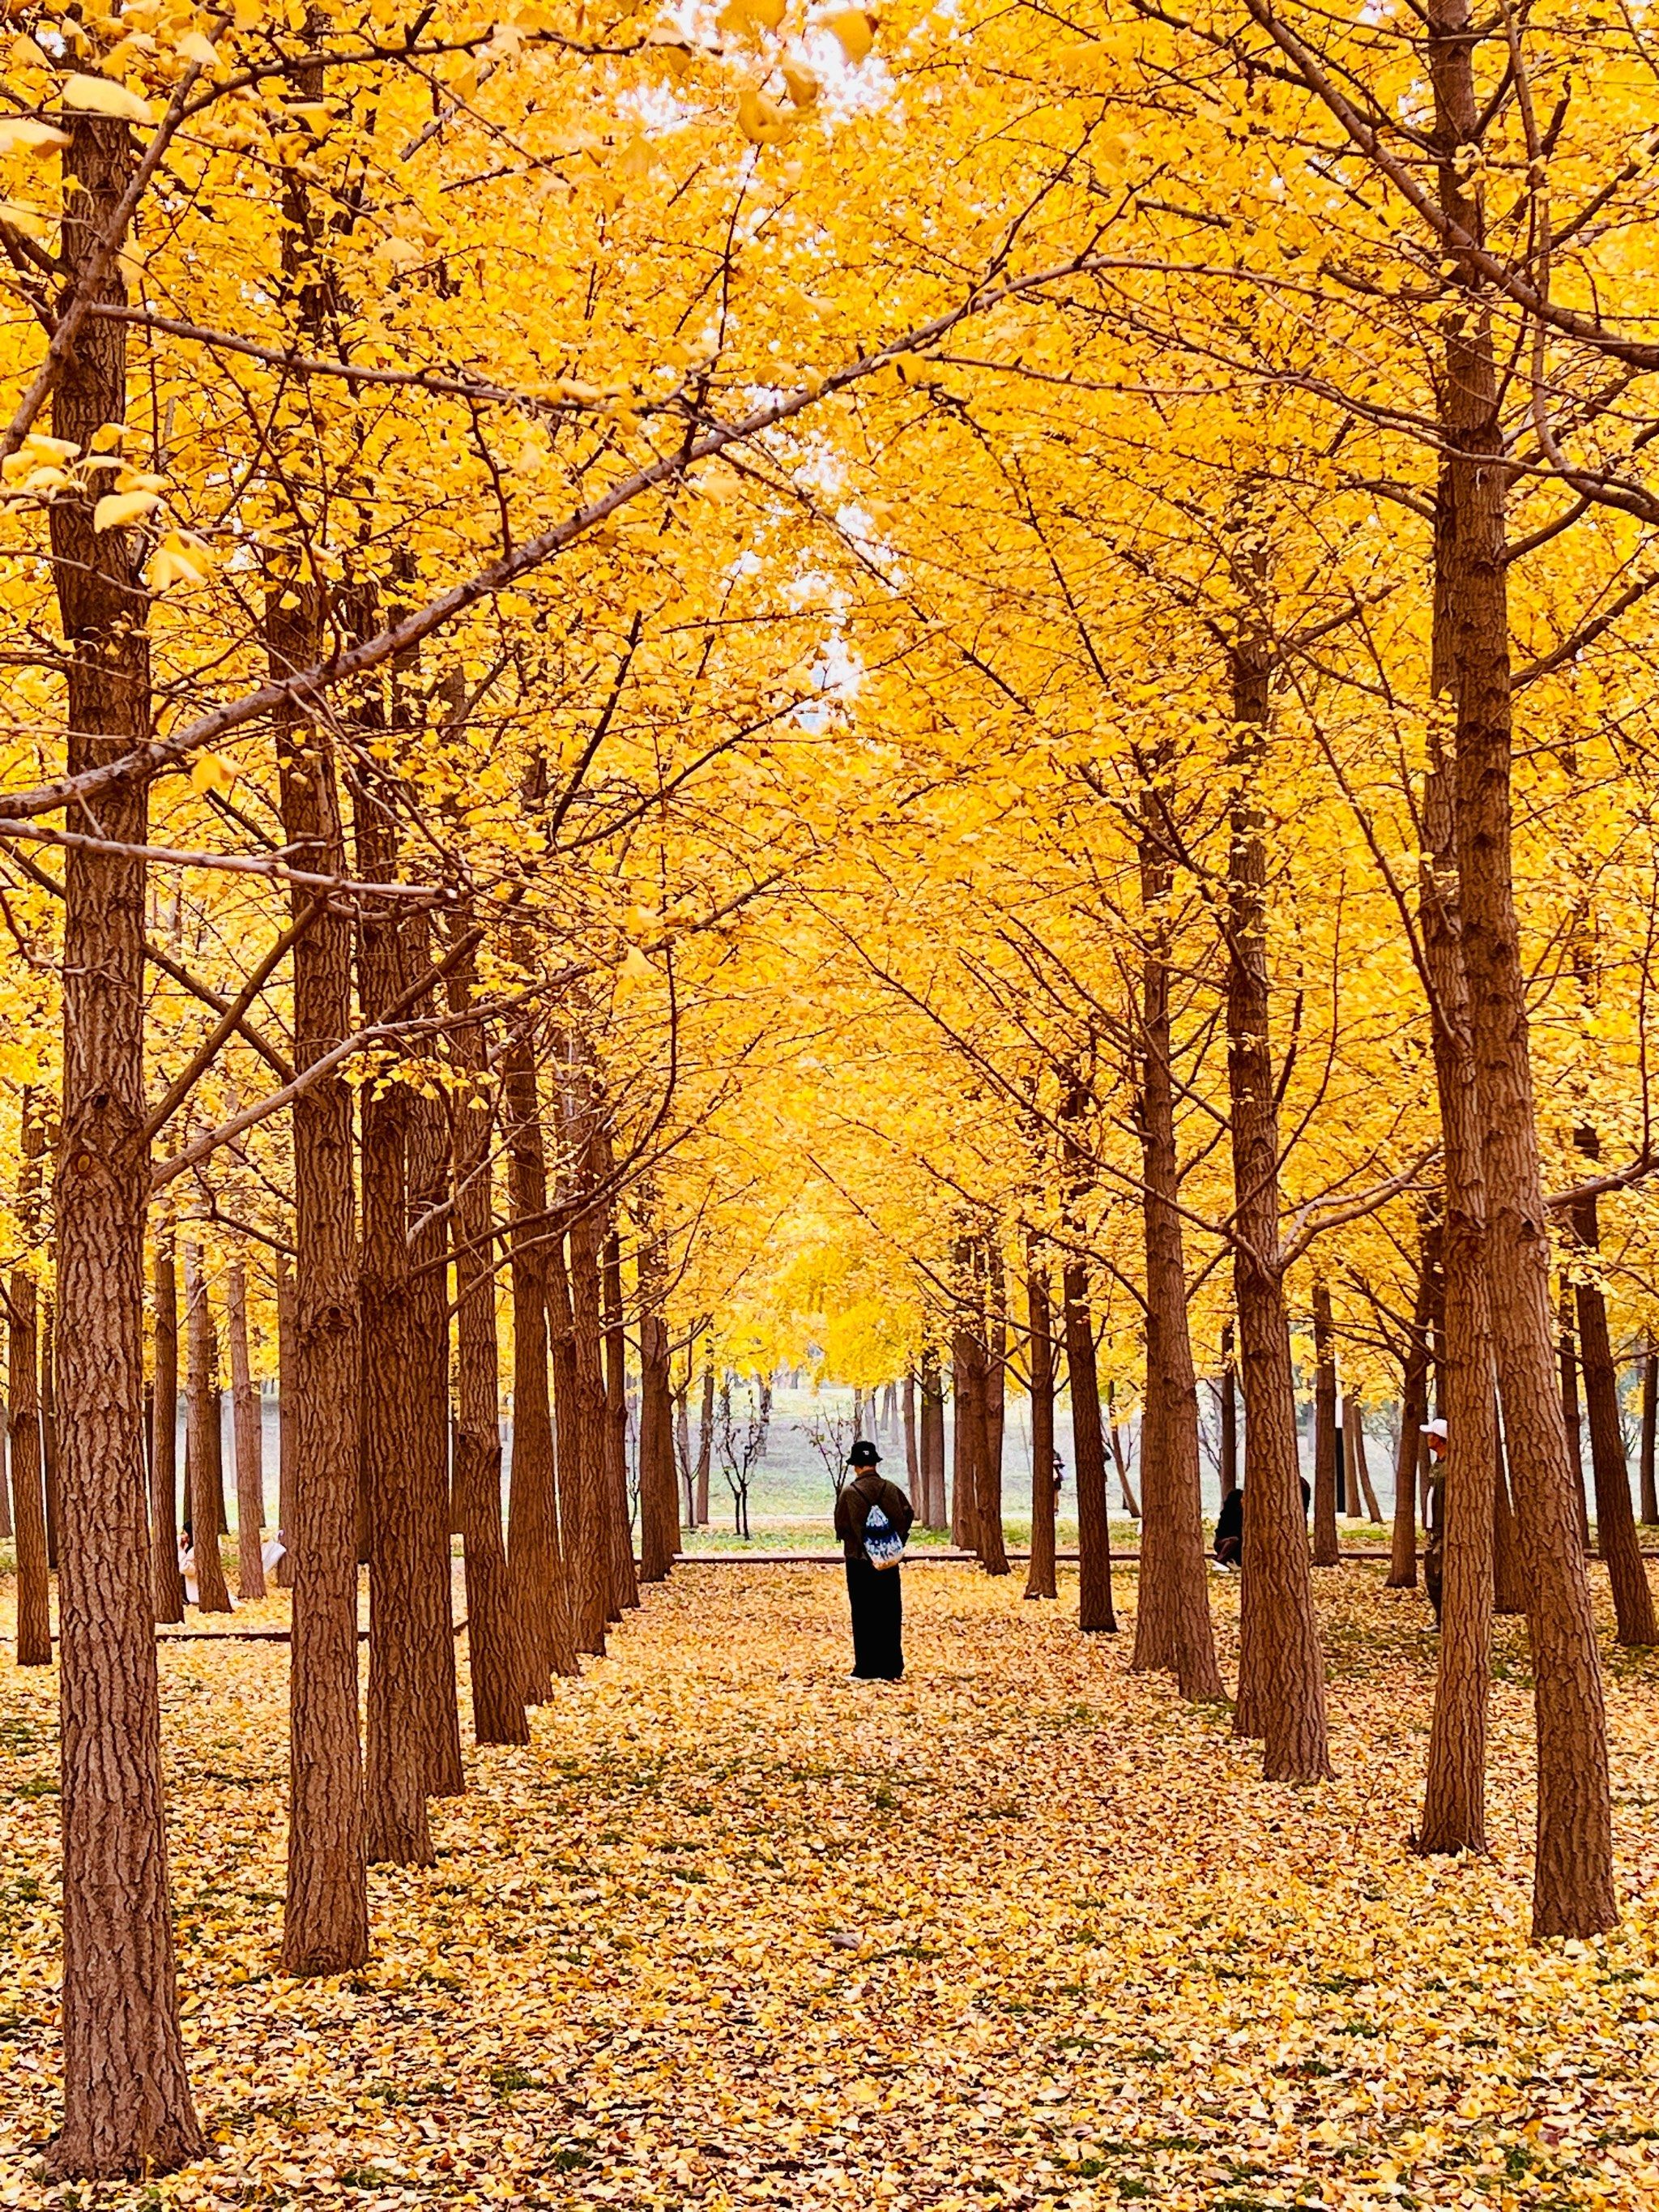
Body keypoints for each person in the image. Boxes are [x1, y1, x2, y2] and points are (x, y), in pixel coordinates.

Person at [833, 1439, 915, 1681]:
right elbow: (908, 1514)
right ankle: (891, 1666)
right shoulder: (890, 1489)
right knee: (890, 1612)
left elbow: (841, 1526)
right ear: (874, 1464)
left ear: (856, 1466)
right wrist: (895, 1539)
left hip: (859, 1562)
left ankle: (866, 1668)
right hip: (888, 1562)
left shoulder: (849, 1493)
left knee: (863, 1612)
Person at [1210, 1475, 1312, 1569]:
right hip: (1231, 1541)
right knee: (1235, 1541)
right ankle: (1221, 1561)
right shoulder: (1235, 1506)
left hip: (1239, 1544)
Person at [1421, 1417, 1448, 1625]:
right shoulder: (1438, 1465)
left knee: (1436, 1576)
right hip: (1433, 1529)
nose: (1428, 1438)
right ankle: (1439, 1618)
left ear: (1440, 1439)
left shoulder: (1447, 1468)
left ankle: (1442, 1619)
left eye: (1431, 1435)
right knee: (1432, 1575)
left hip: (1441, 1530)